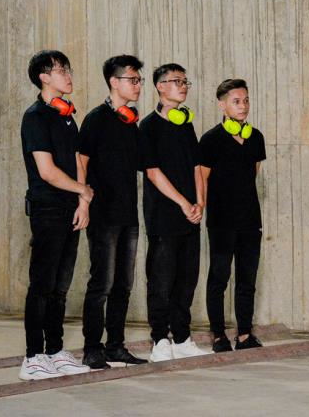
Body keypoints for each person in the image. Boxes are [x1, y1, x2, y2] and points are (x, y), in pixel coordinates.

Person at [19, 50, 92, 380]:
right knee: (43, 284)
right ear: (44, 77)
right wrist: (82, 191)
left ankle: (55, 350)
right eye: (61, 70)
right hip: (47, 208)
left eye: (68, 69)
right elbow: (46, 171)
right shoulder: (35, 117)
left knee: (61, 287)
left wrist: (83, 202)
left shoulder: (67, 116)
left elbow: (77, 161)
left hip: (70, 209)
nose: (68, 75)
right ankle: (33, 356)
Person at [78, 55, 148, 369]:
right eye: (132, 80)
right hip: (103, 215)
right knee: (101, 284)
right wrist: (83, 201)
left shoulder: (131, 123)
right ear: (113, 82)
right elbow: (81, 162)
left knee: (124, 285)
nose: (138, 85)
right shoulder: (95, 119)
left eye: (139, 80)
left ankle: (115, 346)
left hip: (128, 215)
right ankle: (92, 348)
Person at [139, 63, 209, 361]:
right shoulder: (148, 126)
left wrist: (200, 203)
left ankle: (181, 338)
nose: (182, 86)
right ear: (160, 86)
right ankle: (159, 340)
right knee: (161, 279)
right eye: (176, 81)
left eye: (185, 82)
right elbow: (153, 172)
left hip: (191, 216)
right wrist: (182, 203)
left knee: (187, 279)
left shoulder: (186, 125)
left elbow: (197, 168)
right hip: (164, 216)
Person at [199, 79, 266, 352]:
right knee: (219, 278)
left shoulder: (256, 137)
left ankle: (245, 334)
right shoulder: (210, 140)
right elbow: (202, 180)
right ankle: (218, 335)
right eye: (236, 101)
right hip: (221, 222)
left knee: (247, 280)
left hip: (250, 220)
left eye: (246, 100)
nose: (243, 106)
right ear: (222, 105)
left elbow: (253, 174)